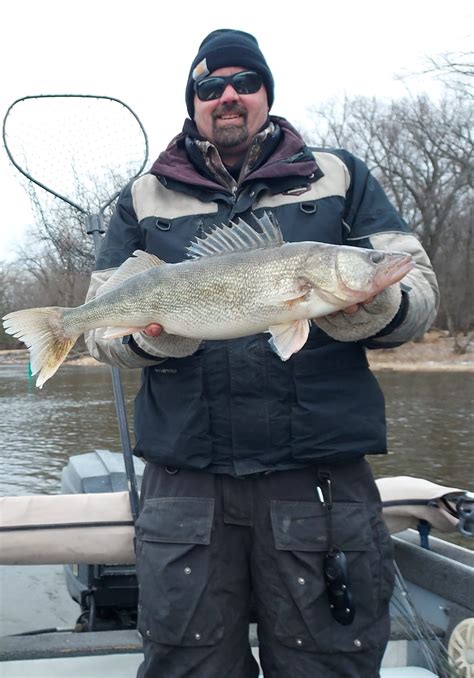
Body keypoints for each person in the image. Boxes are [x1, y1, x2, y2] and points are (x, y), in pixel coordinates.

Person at [86, 29, 439, 678]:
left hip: (319, 483)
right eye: (209, 86)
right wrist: (145, 337)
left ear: (266, 94)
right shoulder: (142, 198)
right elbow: (96, 330)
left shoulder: (339, 177)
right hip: (186, 484)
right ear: (192, 102)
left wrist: (376, 305)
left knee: (326, 665)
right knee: (185, 666)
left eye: (245, 83)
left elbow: (415, 283)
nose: (228, 96)